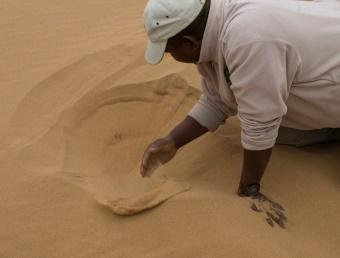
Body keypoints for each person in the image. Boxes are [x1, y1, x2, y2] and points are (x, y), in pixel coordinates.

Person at [140, 0, 340, 197]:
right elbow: (217, 99)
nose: (171, 55)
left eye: (169, 51)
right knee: (280, 132)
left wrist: (249, 187)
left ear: (189, 43)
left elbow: (260, 124)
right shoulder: (213, 27)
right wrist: (173, 141)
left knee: (265, 128)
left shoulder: (249, 38)